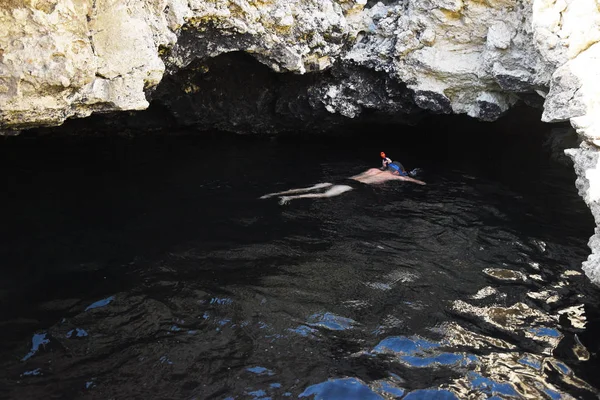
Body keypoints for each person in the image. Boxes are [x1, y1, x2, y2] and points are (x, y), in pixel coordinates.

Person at [260, 154, 425, 204]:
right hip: (353, 185)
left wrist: (386, 166)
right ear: (396, 173)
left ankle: (274, 193)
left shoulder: (375, 169)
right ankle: (289, 198)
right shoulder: (392, 176)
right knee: (323, 195)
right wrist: (420, 182)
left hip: (344, 178)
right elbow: (414, 181)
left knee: (310, 188)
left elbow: (383, 169)